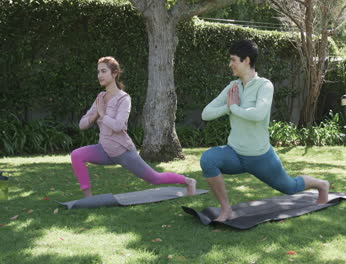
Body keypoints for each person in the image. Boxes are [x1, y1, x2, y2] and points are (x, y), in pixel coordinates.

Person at [200, 40, 329, 221]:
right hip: (235, 154)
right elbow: (206, 114)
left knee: (289, 187)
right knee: (208, 159)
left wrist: (235, 108)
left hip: (259, 156)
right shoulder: (233, 87)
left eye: (233, 60)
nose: (230, 64)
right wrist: (229, 107)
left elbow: (258, 114)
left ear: (246, 60)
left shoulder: (264, 86)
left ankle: (322, 185)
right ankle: (226, 209)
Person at [71, 56, 196, 198]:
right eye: (98, 72)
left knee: (154, 178)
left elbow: (118, 126)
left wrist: (103, 114)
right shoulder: (100, 97)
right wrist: (95, 116)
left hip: (123, 152)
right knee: (76, 155)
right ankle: (88, 198)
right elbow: (82, 124)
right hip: (104, 150)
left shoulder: (123, 99)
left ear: (115, 73)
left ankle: (188, 181)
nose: (99, 75)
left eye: (103, 71)